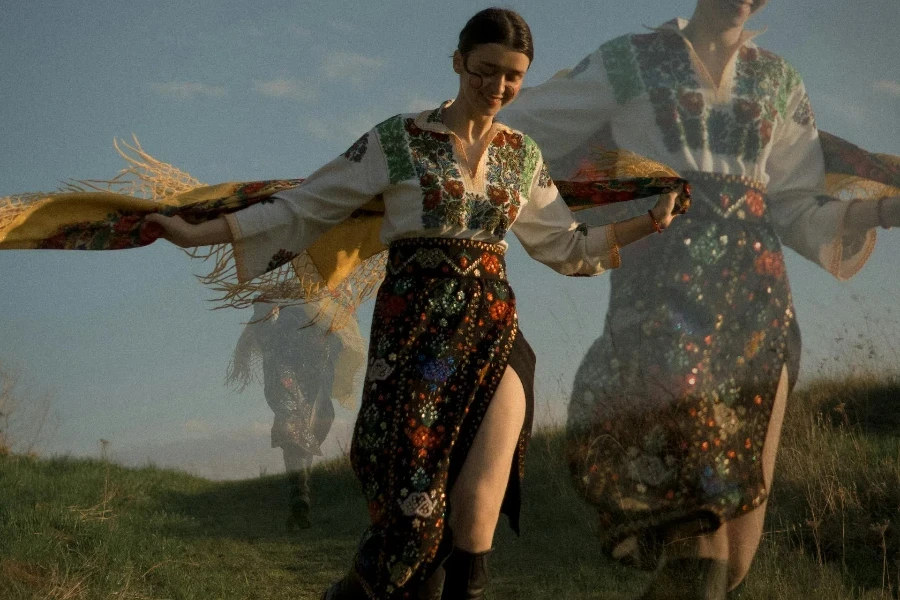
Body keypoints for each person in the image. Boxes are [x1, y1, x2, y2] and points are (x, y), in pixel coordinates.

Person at [145, 8, 686, 599]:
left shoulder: (523, 155)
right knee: (415, 524)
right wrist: (197, 234)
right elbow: (305, 206)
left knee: (477, 514)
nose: (498, 87)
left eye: (513, 77)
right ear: (457, 63)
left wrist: (647, 225)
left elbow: (565, 246)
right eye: (485, 70)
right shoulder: (397, 140)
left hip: (494, 333)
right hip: (414, 337)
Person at [501, 0, 900, 598]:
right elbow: (514, 132)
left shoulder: (778, 79)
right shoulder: (630, 61)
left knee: (734, 559)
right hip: (662, 301)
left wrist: (883, 210)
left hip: (761, 306)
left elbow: (794, 206)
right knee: (699, 537)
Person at [228, 299, 366, 530]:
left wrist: (335, 321)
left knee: (314, 424)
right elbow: (263, 323)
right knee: (292, 425)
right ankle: (299, 494)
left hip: (313, 364)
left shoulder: (322, 293)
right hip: (287, 361)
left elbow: (339, 330)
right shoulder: (281, 294)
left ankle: (301, 491)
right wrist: (267, 311)